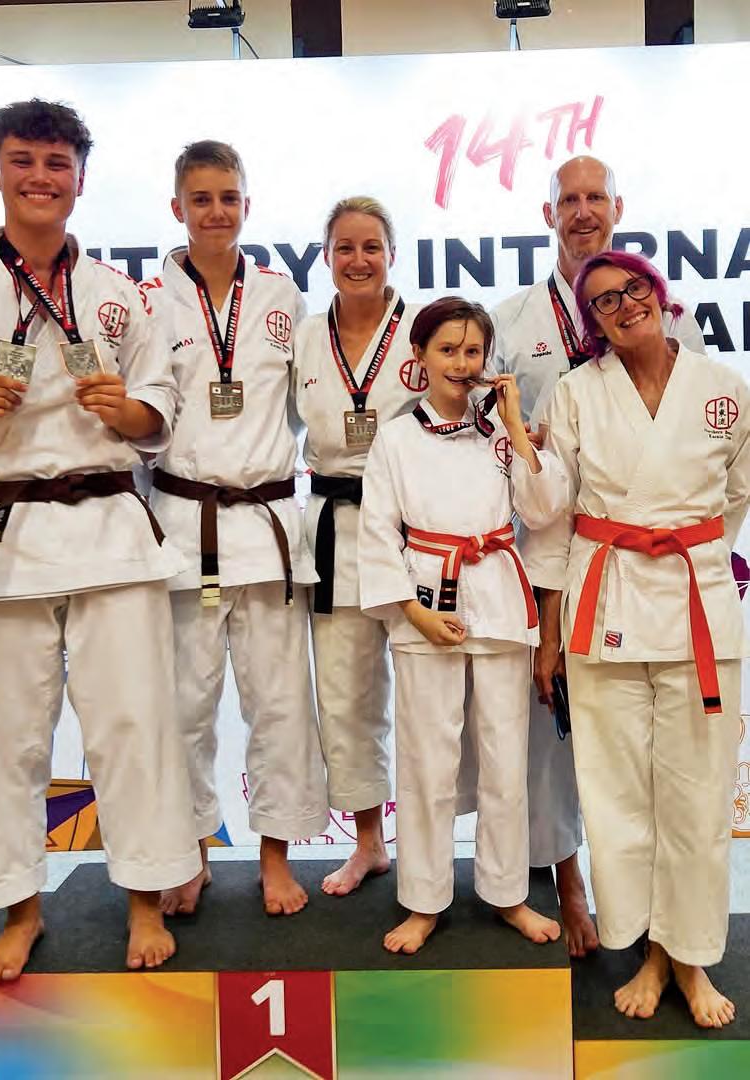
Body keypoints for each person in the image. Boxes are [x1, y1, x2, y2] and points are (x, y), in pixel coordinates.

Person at [0, 99, 201, 979]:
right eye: (23, 160)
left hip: (108, 528)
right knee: (3, 735)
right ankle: (22, 910)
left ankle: (144, 898)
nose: (40, 177)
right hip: (0, 533)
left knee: (134, 722)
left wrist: (126, 412)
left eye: (57, 163)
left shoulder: (121, 295)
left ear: (81, 180)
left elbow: (160, 409)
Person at [488, 155, 706, 957]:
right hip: (548, 553)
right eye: (568, 200)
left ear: (618, 207)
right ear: (547, 214)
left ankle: (658, 915)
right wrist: (521, 441)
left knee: (644, 748)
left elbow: (704, 450)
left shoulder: (670, 318)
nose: (582, 211)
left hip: (646, 563)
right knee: (549, 734)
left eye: (594, 198)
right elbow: (486, 436)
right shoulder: (512, 320)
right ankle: (569, 881)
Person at [527, 250, 748, 1028]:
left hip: (694, 604)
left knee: (697, 795)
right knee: (620, 797)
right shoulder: (576, 392)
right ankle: (651, 952)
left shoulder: (724, 389)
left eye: (632, 290)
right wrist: (548, 635)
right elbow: (552, 517)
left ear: (658, 292)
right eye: (603, 301)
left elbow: (736, 497)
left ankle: (691, 958)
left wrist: (692, 548)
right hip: (606, 603)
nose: (624, 306)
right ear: (593, 323)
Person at [143, 140, 328, 917]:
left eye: (228, 198)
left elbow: (309, 404)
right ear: (177, 207)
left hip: (268, 526)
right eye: (201, 198)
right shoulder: (149, 300)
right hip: (184, 527)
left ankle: (275, 857)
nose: (216, 212)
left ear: (247, 206)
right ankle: (190, 853)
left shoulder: (283, 296)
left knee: (280, 704)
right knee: (184, 707)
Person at [358, 296, 568, 954]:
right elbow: (377, 533)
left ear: (488, 359)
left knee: (506, 756)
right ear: (419, 356)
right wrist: (414, 612)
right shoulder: (395, 438)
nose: (460, 362)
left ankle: (507, 894)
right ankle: (424, 900)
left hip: (498, 599)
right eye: (447, 349)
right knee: (429, 758)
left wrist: (518, 426)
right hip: (427, 600)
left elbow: (545, 509)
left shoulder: (502, 432)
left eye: (472, 350)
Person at [294, 196, 427, 896]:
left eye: (371, 246)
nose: (358, 259)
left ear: (392, 255)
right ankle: (369, 842)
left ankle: (431, 846)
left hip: (413, 529)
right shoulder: (303, 338)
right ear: (326, 257)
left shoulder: (424, 332)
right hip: (332, 526)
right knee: (346, 694)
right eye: (344, 247)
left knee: (429, 693)